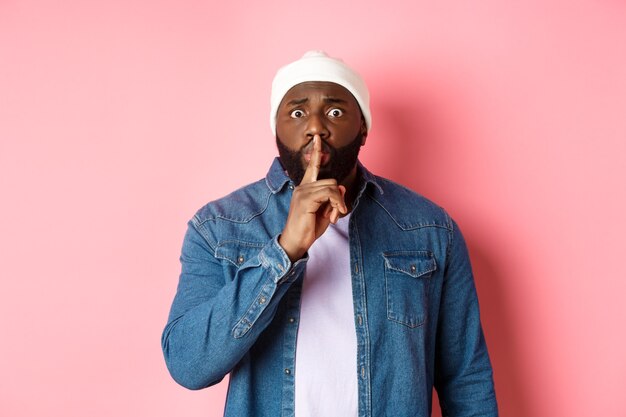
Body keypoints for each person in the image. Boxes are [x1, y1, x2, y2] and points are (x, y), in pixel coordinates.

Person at [161, 51, 498, 417]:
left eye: (335, 112)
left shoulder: (429, 229)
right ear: (276, 128)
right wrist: (286, 249)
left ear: (364, 128)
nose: (316, 127)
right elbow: (188, 365)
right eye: (297, 112)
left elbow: (466, 377)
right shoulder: (219, 226)